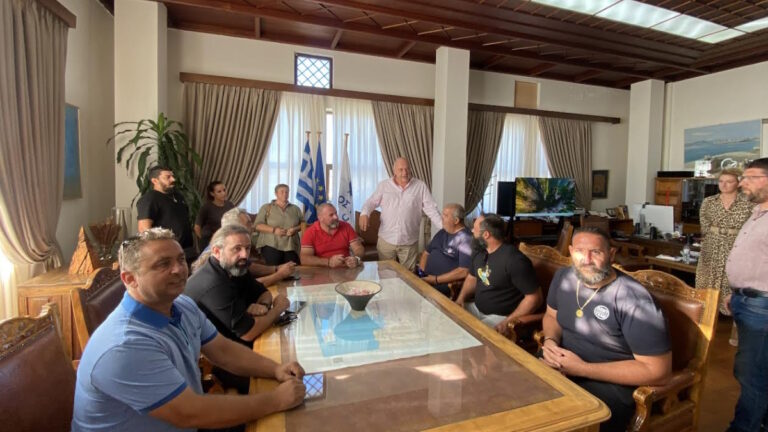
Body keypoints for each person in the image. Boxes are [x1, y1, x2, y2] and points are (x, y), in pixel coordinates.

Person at [72, 228, 306, 432]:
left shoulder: (182, 305)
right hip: (190, 419)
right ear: (130, 279)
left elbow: (223, 351)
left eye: (181, 259)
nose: (178, 269)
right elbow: (189, 412)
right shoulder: (124, 346)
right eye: (163, 264)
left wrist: (275, 368)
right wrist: (276, 400)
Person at [540, 227, 672, 432]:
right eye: (580, 251)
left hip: (609, 386)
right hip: (562, 365)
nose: (586, 260)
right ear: (571, 251)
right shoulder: (563, 277)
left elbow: (658, 372)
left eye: (596, 252)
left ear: (611, 254)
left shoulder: (634, 300)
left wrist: (582, 368)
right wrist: (550, 341)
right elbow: (551, 316)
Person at [186, 225, 291, 393]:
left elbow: (263, 293)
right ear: (217, 251)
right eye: (237, 248)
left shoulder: (236, 268)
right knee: (284, 377)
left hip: (236, 345)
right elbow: (248, 332)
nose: (244, 254)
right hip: (218, 362)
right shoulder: (213, 284)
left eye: (247, 248)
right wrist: (277, 309)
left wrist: (263, 307)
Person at [724, 158, 768, 432]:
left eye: (750, 177)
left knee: (753, 375)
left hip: (761, 306)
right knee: (753, 370)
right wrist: (738, 291)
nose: (742, 183)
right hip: (746, 299)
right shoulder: (757, 212)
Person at [454, 213, 542, 336]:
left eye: (475, 228)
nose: (472, 231)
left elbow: (535, 298)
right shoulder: (479, 252)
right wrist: (460, 299)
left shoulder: (514, 260)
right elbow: (472, 278)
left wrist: (507, 322)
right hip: (476, 308)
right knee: (448, 317)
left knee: (469, 335)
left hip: (500, 316)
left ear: (486, 234)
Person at [695, 168, 754, 346]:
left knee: (734, 287)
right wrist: (716, 236)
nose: (724, 185)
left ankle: (736, 331)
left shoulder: (748, 202)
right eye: (721, 181)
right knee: (707, 285)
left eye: (729, 181)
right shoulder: (709, 201)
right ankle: (703, 327)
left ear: (738, 183)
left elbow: (752, 226)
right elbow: (704, 225)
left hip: (737, 247)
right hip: (711, 248)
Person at [359, 157, 442, 271]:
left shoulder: (420, 186)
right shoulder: (384, 185)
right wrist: (365, 213)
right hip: (386, 241)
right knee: (386, 275)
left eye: (407, 169)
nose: (405, 172)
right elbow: (371, 202)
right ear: (394, 171)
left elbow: (431, 209)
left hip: (409, 242)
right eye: (401, 169)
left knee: (409, 276)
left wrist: (444, 227)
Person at [192, 208, 296, 287]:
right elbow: (246, 287)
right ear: (235, 227)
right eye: (248, 223)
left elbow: (250, 267)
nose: (253, 226)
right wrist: (279, 275)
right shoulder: (223, 253)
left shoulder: (232, 245)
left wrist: (276, 269)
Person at [137, 166, 195, 262]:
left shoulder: (178, 196)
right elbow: (144, 229)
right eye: (168, 177)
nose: (173, 179)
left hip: (187, 251)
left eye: (172, 176)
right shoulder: (149, 199)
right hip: (168, 253)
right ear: (155, 181)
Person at [417, 203, 472, 297]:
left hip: (441, 284)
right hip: (426, 279)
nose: (442, 218)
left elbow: (464, 271)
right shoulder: (442, 232)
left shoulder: (466, 239)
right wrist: (421, 273)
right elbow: (426, 253)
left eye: (445, 215)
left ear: (456, 220)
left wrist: (435, 280)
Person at [301, 203, 364, 268]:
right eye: (331, 215)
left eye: (336, 213)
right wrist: (328, 262)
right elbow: (304, 258)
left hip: (346, 269)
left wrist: (356, 258)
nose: (336, 217)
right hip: (322, 270)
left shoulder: (346, 226)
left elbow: (358, 248)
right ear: (320, 218)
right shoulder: (310, 232)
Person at [254, 184, 303, 265]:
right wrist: (274, 230)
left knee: (293, 269)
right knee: (273, 269)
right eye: (282, 192)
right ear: (276, 193)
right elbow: (257, 225)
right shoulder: (266, 207)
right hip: (271, 244)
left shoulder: (295, 209)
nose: (285, 194)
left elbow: (303, 224)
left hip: (291, 245)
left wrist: (295, 229)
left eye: (287, 192)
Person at [194, 180, 235, 251]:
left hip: (225, 239)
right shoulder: (206, 207)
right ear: (212, 193)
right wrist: (204, 241)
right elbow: (197, 227)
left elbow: (235, 220)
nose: (223, 193)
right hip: (209, 241)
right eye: (219, 191)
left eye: (224, 190)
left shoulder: (230, 205)